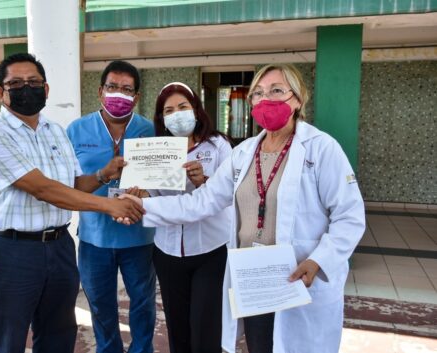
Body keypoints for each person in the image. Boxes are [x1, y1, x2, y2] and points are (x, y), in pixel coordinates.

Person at [120, 64, 365, 353]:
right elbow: (202, 201)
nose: (266, 99)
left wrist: (319, 261)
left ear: (298, 99)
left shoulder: (322, 149)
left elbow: (349, 216)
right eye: (258, 93)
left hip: (300, 273)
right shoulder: (244, 152)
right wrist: (140, 206)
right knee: (259, 344)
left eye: (276, 90)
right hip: (255, 275)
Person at [0, 53, 144, 353]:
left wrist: (104, 174)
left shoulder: (55, 132)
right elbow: (41, 188)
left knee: (59, 333)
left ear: (46, 89)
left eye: (34, 82)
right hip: (13, 251)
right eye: (15, 83)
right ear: (1, 92)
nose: (26, 88)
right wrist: (109, 206)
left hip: (59, 247)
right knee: (10, 336)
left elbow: (75, 185)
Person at [132, 81, 232, 353]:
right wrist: (139, 193)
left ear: (196, 110)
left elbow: (232, 192)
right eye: (169, 110)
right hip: (167, 251)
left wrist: (205, 180)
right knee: (177, 328)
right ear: (162, 118)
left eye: (183, 107)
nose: (177, 114)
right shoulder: (155, 150)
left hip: (209, 251)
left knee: (205, 328)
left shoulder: (218, 145)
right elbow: (149, 195)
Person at [66, 60, 156, 353]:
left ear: (137, 97)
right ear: (100, 90)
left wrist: (148, 191)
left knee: (142, 303)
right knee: (101, 306)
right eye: (112, 87)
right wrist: (103, 174)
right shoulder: (77, 130)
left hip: (140, 238)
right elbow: (69, 187)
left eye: (127, 89)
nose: (119, 93)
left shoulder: (150, 131)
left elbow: (163, 182)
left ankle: (142, 350)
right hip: (95, 238)